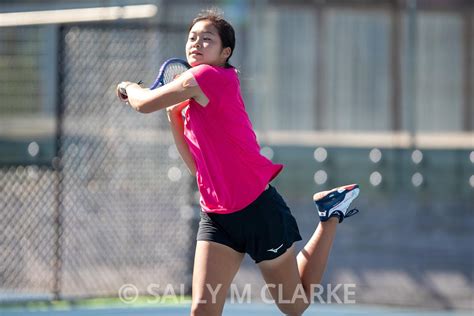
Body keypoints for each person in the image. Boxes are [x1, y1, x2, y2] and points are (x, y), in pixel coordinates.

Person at [116, 9, 360, 316]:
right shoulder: (192, 101)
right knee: (202, 311)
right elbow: (197, 167)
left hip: (258, 210)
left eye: (207, 39)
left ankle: (329, 215)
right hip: (217, 217)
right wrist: (174, 117)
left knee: (293, 306)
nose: (197, 43)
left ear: (225, 52)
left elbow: (142, 104)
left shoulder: (209, 77)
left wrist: (129, 87)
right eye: (192, 38)